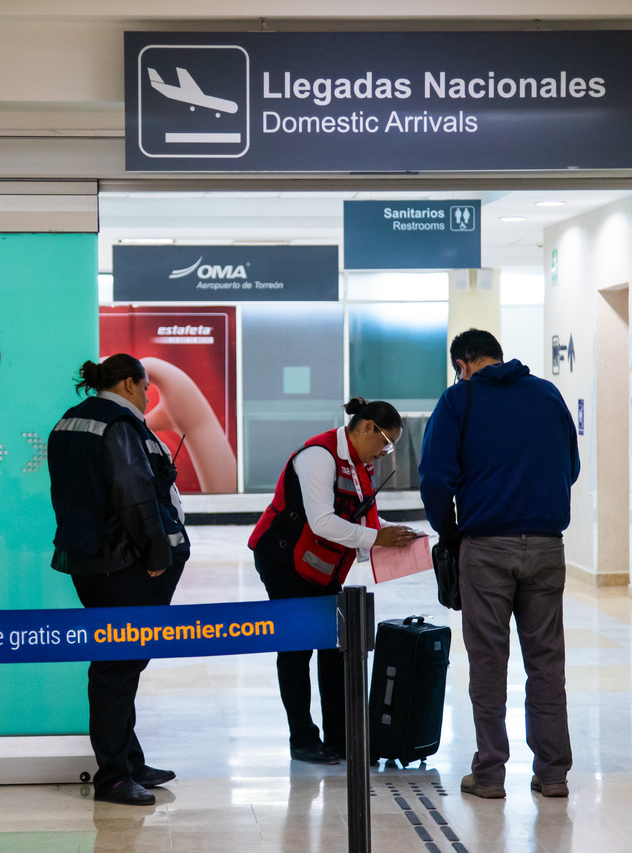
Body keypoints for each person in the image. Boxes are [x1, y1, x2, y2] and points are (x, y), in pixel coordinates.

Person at [419, 329, 580, 800]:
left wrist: (449, 532)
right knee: (546, 662)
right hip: (547, 545)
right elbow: (570, 466)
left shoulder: (458, 400)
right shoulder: (547, 394)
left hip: (486, 547)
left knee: (488, 662)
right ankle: (553, 774)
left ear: (464, 362)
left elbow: (435, 478)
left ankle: (489, 774)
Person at [47, 353, 190, 806]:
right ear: (129, 384)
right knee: (117, 668)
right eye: (145, 388)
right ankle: (112, 775)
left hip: (89, 559)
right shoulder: (119, 424)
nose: (147, 397)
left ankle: (128, 761)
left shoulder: (71, 420)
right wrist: (157, 553)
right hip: (126, 566)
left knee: (121, 664)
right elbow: (134, 494)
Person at [248, 397, 418, 764]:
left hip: (321, 566)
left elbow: (361, 518)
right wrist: (378, 537)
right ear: (368, 427)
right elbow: (322, 521)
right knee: (296, 649)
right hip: (283, 560)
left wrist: (396, 534)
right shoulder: (319, 456)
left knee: (334, 649)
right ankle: (302, 739)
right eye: (386, 443)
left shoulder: (359, 465)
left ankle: (341, 738)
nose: (385, 453)